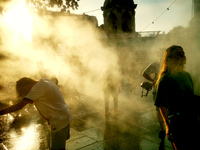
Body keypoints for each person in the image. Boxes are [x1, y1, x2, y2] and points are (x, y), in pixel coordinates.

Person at [0, 77, 72, 150]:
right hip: (65, 114)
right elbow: (55, 80)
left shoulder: (37, 89)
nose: (27, 94)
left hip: (58, 120)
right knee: (60, 145)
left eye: (25, 92)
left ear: (26, 87)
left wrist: (1, 112)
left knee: (58, 148)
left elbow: (19, 106)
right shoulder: (45, 81)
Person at [155, 45, 200, 149]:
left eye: (183, 53)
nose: (183, 56)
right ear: (169, 59)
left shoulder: (186, 75)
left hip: (192, 120)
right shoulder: (166, 78)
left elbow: (190, 96)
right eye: (178, 54)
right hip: (177, 123)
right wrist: (167, 125)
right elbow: (161, 104)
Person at [142, 49, 165, 139]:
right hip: (157, 90)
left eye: (163, 54)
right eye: (160, 54)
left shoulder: (169, 64)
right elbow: (144, 73)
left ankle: (168, 125)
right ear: (158, 55)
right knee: (159, 109)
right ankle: (162, 128)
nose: (162, 56)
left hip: (169, 90)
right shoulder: (155, 64)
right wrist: (153, 80)